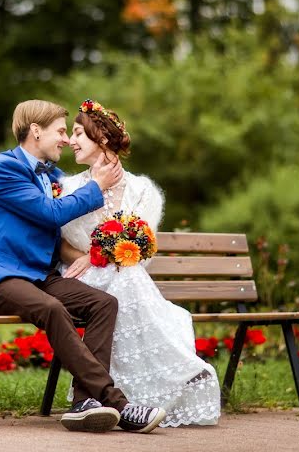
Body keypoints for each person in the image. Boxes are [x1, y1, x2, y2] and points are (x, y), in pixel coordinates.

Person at [0, 99, 167, 434]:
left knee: (103, 303)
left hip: (39, 276)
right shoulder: (6, 168)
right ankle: (118, 404)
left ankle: (85, 404)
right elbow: (52, 214)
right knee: (53, 309)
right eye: (60, 131)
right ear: (36, 131)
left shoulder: (52, 175)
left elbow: (69, 215)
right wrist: (97, 186)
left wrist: (99, 248)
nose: (65, 140)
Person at [58, 99, 221, 427]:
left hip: (127, 276)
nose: (70, 141)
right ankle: (177, 371)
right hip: (83, 279)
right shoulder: (70, 188)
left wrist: (103, 256)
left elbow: (141, 247)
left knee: (127, 276)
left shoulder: (143, 190)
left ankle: (115, 396)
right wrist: (88, 259)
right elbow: (61, 245)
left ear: (101, 138)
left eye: (78, 133)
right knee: (126, 280)